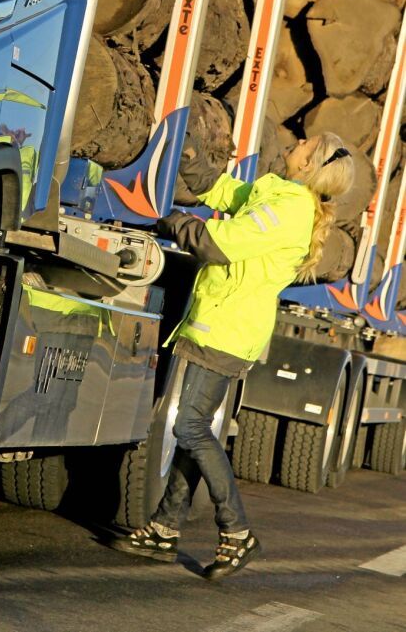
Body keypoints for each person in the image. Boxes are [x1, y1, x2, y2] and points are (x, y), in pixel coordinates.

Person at [110, 133, 355, 580]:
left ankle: (237, 532)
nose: (299, 140)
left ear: (311, 164)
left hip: (226, 328)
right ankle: (164, 529)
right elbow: (227, 192)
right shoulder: (278, 192)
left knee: (189, 427)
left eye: (308, 143)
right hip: (221, 322)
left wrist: (172, 222)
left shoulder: (290, 209)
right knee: (195, 428)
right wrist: (191, 157)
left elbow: (218, 243)